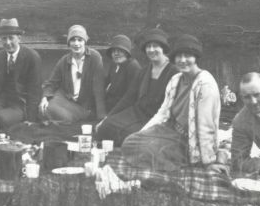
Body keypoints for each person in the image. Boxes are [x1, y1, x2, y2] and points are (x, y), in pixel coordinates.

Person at [120, 34, 227, 173]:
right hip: (169, 129)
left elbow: (206, 125)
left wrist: (208, 161)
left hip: (188, 138)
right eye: (178, 56)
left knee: (149, 150)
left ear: (196, 57)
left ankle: (181, 166)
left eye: (188, 56)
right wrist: (144, 132)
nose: (182, 60)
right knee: (130, 142)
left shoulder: (205, 84)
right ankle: (166, 161)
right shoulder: (176, 79)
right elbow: (163, 112)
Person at [95, 28, 179, 145]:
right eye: (148, 47)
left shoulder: (174, 72)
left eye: (155, 46)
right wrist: (108, 117)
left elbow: (171, 108)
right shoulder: (144, 71)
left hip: (157, 117)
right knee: (105, 127)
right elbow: (128, 97)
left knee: (131, 136)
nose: (151, 50)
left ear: (163, 48)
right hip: (137, 112)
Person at [39, 25, 106, 123]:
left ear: (85, 41)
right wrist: (44, 98)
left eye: (80, 40)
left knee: (63, 116)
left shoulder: (94, 57)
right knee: (46, 107)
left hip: (85, 106)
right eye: (73, 40)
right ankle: (61, 118)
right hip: (66, 101)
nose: (76, 43)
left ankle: (65, 119)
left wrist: (101, 117)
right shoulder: (65, 60)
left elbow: (98, 89)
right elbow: (52, 83)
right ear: (68, 43)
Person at [0, 18, 42, 130]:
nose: (7, 42)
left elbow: (35, 91)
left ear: (19, 38)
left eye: (11, 38)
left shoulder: (32, 57)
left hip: (20, 103)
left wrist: (31, 119)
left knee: (1, 118)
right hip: (0, 99)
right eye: (4, 38)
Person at [104, 35, 142, 112]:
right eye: (114, 51)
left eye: (120, 50)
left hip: (124, 109)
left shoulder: (133, 67)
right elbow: (106, 83)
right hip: (110, 104)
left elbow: (131, 97)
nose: (116, 54)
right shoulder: (114, 64)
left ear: (127, 52)